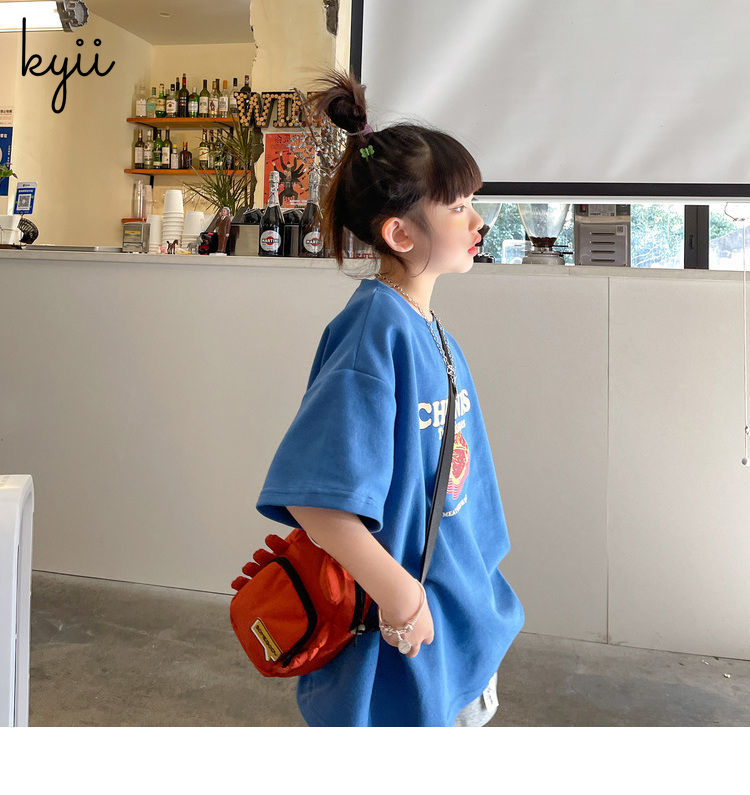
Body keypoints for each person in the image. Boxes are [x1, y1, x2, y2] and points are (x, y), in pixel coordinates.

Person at [255, 70, 524, 727]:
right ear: (402, 235)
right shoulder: (374, 331)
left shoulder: (426, 327)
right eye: (457, 206)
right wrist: (403, 600)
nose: (477, 221)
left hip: (460, 626)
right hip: (406, 642)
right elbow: (317, 500)